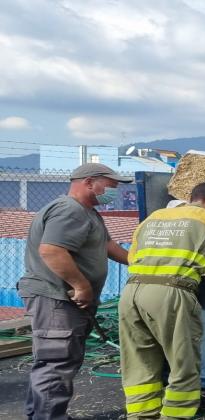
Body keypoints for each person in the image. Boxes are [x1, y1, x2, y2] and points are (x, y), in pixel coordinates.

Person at [119, 182, 205, 419]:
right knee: (183, 366)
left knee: (139, 364)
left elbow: (132, 256)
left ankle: (140, 416)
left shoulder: (155, 217)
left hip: (131, 293)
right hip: (171, 292)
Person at [17, 162, 132, 420]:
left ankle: (43, 414)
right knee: (56, 363)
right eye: (111, 185)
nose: (114, 191)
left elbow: (107, 245)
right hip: (56, 299)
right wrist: (81, 286)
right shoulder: (70, 210)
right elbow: (52, 250)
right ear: (89, 182)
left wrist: (141, 260)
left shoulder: (88, 212)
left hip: (63, 301)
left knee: (55, 363)